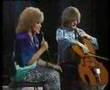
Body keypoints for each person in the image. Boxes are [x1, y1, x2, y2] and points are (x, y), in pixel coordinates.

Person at [12, 7, 62, 90]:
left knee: (54, 71)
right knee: (54, 76)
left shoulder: (34, 38)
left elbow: (36, 60)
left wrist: (52, 65)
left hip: (30, 69)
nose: (40, 25)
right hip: (22, 73)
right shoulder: (22, 38)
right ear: (30, 23)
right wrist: (42, 49)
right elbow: (28, 62)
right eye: (38, 23)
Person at [56, 6, 98, 90]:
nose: (75, 22)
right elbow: (64, 41)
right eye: (73, 19)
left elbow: (96, 45)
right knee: (74, 76)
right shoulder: (60, 31)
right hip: (66, 63)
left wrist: (88, 37)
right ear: (67, 19)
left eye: (76, 19)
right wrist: (80, 44)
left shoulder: (79, 31)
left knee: (95, 73)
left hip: (82, 63)